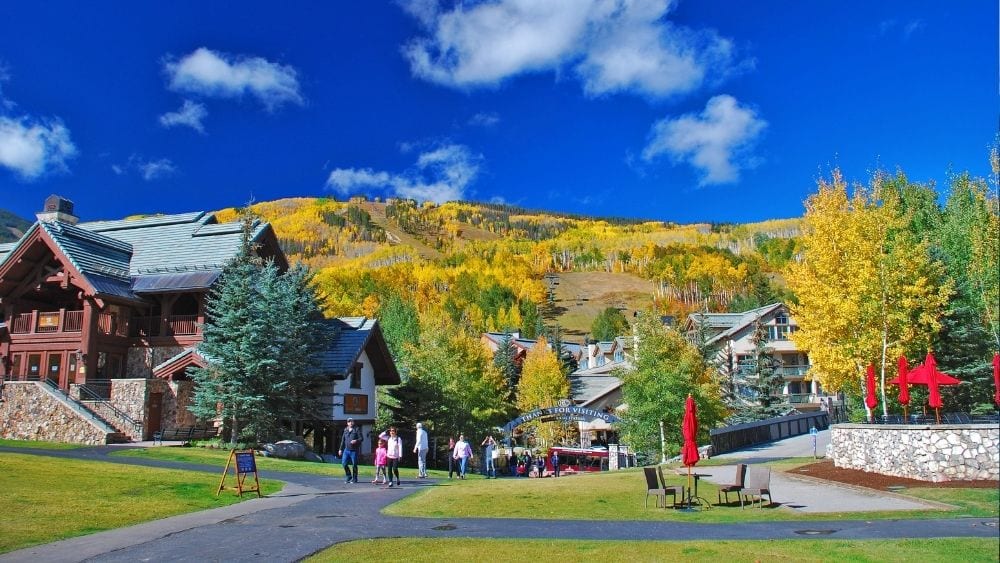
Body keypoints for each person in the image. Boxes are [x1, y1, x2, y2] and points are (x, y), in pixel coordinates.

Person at [337, 418, 363, 484]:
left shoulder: (357, 429)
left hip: (354, 450)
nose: (350, 423)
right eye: (349, 422)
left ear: (353, 422)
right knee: (344, 463)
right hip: (346, 450)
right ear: (347, 423)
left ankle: (355, 478)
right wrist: (340, 449)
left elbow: (361, 438)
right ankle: (349, 476)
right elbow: (343, 440)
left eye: (351, 421)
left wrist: (356, 441)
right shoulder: (345, 430)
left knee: (354, 464)